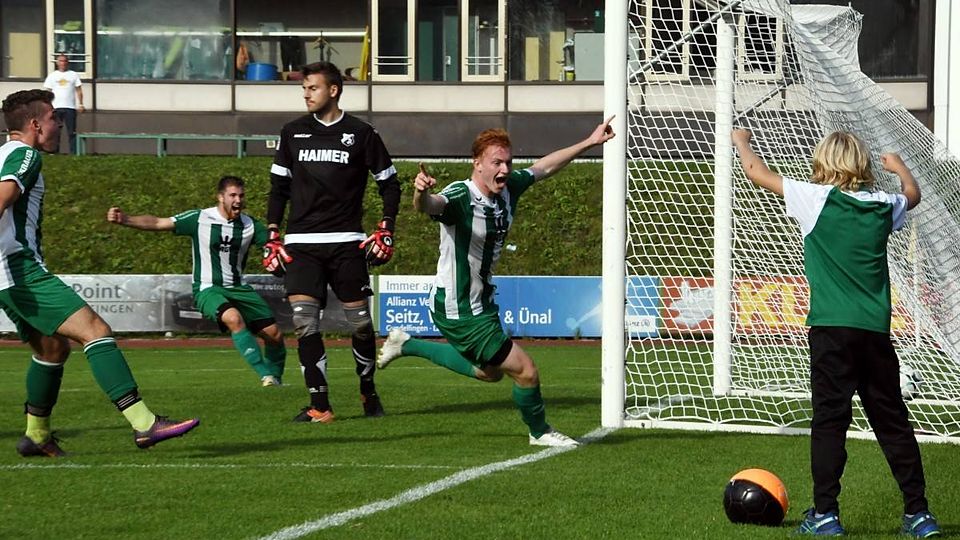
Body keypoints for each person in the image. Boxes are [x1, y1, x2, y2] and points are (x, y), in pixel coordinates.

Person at [731, 128, 941, 537]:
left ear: (823, 162)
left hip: (831, 331)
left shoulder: (816, 198)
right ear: (862, 164)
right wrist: (900, 167)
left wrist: (741, 140)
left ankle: (826, 514)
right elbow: (912, 195)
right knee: (893, 423)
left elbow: (755, 172)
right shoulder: (882, 205)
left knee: (830, 422)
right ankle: (919, 514)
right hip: (875, 333)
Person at [377, 119, 615, 447]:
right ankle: (540, 432)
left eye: (508, 162)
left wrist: (589, 142)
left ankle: (406, 344)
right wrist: (421, 192)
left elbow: (544, 167)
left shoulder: (508, 188)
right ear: (477, 164)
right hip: (460, 308)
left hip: (481, 302)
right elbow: (430, 206)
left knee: (490, 373)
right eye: (496, 163)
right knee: (526, 371)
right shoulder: (461, 196)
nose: (504, 169)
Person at [1, 89, 199, 457]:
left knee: (52, 348)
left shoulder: (3, 154)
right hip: (18, 269)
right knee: (95, 330)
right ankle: (144, 423)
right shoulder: (25, 155)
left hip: (7, 274)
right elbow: (2, 199)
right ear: (34, 125)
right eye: (53, 118)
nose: (59, 124)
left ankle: (36, 434)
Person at [263, 61, 400, 423]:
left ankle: (368, 389)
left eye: (313, 88)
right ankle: (320, 406)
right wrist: (272, 232)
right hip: (301, 243)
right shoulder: (292, 132)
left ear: (333, 90)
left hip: (346, 243)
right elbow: (278, 188)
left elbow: (390, 183)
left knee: (360, 324)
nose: (306, 94)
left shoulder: (362, 133)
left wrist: (386, 226)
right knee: (304, 322)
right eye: (304, 89)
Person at [106, 176, 287, 387]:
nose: (238, 200)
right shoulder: (199, 218)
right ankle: (266, 376)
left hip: (239, 288)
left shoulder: (250, 225)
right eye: (233, 195)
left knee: (274, 335)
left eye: (241, 195)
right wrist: (125, 219)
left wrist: (280, 256)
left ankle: (276, 381)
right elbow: (158, 222)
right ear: (220, 197)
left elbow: (274, 246)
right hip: (208, 289)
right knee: (233, 318)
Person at [41, 54, 84, 155]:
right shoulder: (52, 76)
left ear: (67, 62)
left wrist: (81, 104)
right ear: (57, 63)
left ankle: (74, 153)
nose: (63, 63)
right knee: (55, 131)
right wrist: (47, 106)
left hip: (70, 107)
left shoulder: (73, 75)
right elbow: (48, 92)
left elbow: (79, 90)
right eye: (60, 61)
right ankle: (54, 152)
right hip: (56, 107)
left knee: (72, 132)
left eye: (64, 61)